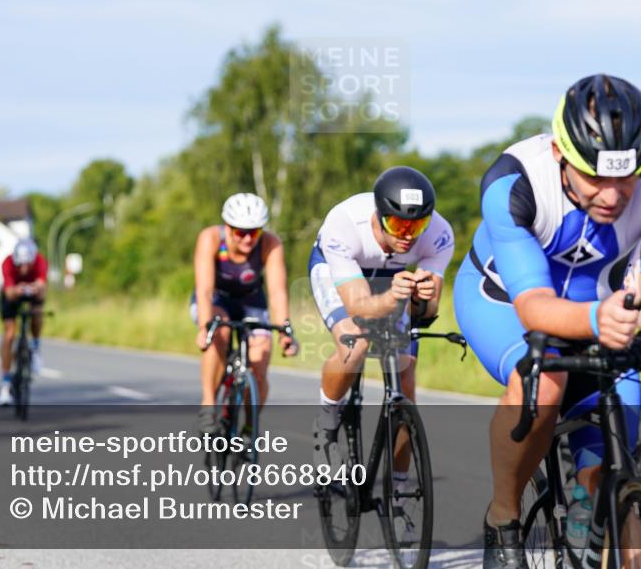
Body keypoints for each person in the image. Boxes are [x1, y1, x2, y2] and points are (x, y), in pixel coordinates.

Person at [453, 74, 641, 568]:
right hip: (502, 301)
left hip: (601, 307)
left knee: (615, 494)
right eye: (595, 177)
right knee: (544, 381)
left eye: (625, 177)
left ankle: (591, 507)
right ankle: (503, 517)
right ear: (562, 154)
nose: (611, 195)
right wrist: (596, 318)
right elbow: (535, 306)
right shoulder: (513, 182)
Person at [309, 167, 455, 472]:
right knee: (354, 344)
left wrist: (420, 300)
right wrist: (391, 299)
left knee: (405, 384)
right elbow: (359, 308)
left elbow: (425, 315)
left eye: (417, 226)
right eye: (399, 225)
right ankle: (326, 420)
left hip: (392, 277)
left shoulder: (439, 234)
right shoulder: (344, 224)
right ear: (379, 215)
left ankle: (400, 493)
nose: (408, 236)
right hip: (342, 269)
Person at [193, 192, 297, 435]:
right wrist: (205, 327)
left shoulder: (270, 243)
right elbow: (205, 290)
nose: (248, 238)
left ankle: (250, 427)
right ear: (227, 228)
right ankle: (208, 404)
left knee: (260, 362)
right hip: (217, 299)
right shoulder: (210, 238)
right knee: (221, 330)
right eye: (241, 232)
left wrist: (285, 331)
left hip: (251, 301)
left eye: (255, 231)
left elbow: (277, 291)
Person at [0, 238, 48, 406]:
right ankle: (5, 384)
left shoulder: (40, 261)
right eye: (21, 265)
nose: (24, 269)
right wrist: (19, 290)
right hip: (12, 294)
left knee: (38, 311)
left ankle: (35, 346)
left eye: (28, 265)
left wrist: (35, 288)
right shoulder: (8, 263)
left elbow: (41, 286)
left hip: (32, 293)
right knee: (9, 334)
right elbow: (10, 293)